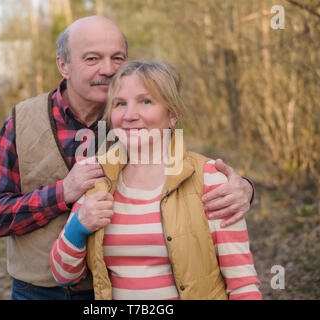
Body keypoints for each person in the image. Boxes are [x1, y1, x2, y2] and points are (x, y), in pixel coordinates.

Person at [0, 16, 256, 300]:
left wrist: (243, 187)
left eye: (117, 58)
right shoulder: (22, 122)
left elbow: (186, 176)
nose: (107, 69)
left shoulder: (133, 124)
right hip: (39, 290)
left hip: (107, 291)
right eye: (92, 58)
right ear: (63, 65)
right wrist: (63, 193)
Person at [50, 60, 262, 300]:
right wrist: (79, 225)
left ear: (172, 114)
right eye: (120, 104)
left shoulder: (209, 179)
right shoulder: (97, 178)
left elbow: (243, 285)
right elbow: (63, 275)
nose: (129, 115)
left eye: (146, 101)